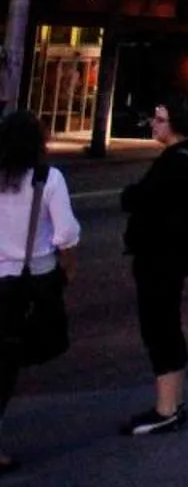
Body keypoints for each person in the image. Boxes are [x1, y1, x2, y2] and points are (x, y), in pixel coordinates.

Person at [120, 95, 188, 436]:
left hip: (162, 255)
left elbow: (139, 197)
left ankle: (166, 408)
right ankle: (172, 401)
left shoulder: (176, 163)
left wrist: (132, 197)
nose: (153, 124)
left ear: (175, 124)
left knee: (159, 326)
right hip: (176, 252)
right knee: (166, 323)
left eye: (159, 119)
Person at [0, 110, 78, 470]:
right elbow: (65, 234)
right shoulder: (49, 179)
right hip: (34, 280)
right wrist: (69, 269)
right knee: (13, 359)